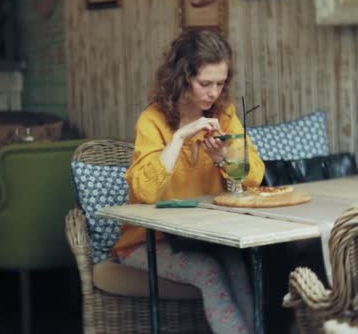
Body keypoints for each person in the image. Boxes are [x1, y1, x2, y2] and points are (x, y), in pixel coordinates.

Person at [112, 30, 265, 334]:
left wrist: (224, 157)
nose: (214, 93)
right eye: (205, 84)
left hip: (202, 238)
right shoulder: (153, 121)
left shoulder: (224, 115)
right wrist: (181, 136)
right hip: (147, 243)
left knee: (237, 264)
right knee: (208, 271)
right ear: (182, 78)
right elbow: (145, 191)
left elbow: (255, 175)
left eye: (220, 84)